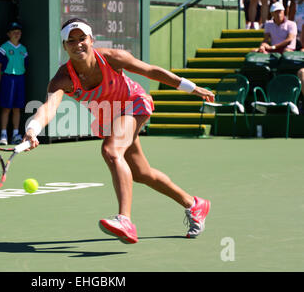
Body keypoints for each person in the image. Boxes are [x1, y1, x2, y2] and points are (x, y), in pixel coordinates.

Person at [22, 18, 215, 243]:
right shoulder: (62, 79)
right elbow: (49, 107)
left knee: (112, 151)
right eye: (71, 41)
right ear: (64, 46)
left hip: (134, 102)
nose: (78, 45)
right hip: (110, 116)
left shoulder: (112, 58)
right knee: (142, 173)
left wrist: (190, 87)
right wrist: (32, 129)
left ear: (91, 40)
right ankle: (194, 204)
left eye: (82, 38)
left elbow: (151, 71)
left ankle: (125, 219)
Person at [0, 21, 28, 145]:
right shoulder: (3, 48)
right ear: (8, 34)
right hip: (7, 79)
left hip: (20, 79)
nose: (16, 34)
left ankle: (15, 134)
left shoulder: (23, 49)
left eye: (18, 32)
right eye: (14, 32)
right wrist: (1, 80)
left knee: (17, 108)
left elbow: (25, 66)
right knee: (6, 108)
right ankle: (3, 135)